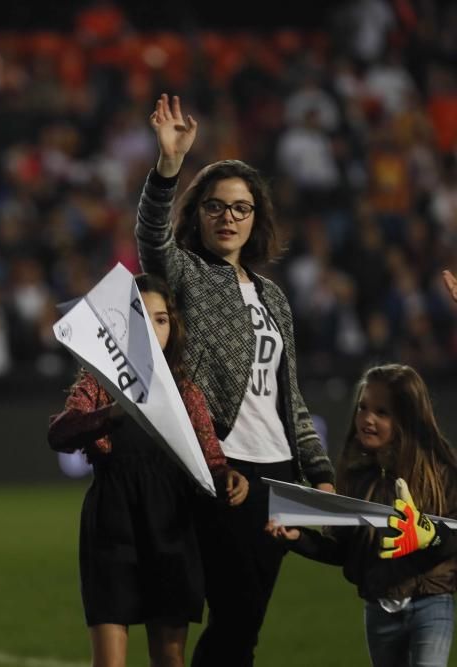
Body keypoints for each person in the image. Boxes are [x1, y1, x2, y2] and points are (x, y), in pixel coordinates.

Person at [135, 94, 336, 666]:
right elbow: (152, 236)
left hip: (279, 470)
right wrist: (169, 166)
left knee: (245, 626)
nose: (229, 218)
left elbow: (289, 396)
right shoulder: (188, 275)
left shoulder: (273, 296)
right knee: (236, 612)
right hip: (224, 464)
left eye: (241, 208)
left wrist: (318, 473)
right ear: (198, 213)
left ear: (257, 218)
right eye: (217, 207)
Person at [48, 272, 249, 667]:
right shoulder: (100, 382)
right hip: (111, 527)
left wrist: (230, 478)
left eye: (162, 319)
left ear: (173, 326)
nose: (154, 329)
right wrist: (113, 413)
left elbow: (211, 459)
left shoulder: (184, 390)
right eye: (142, 318)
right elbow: (60, 433)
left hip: (170, 526)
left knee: (170, 659)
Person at [266, 357, 457, 667]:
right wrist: (297, 537)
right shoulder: (357, 475)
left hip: (430, 605)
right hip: (378, 610)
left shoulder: (441, 473)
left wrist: (429, 536)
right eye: (362, 408)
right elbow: (343, 548)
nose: (368, 418)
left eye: (382, 412)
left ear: (407, 418)